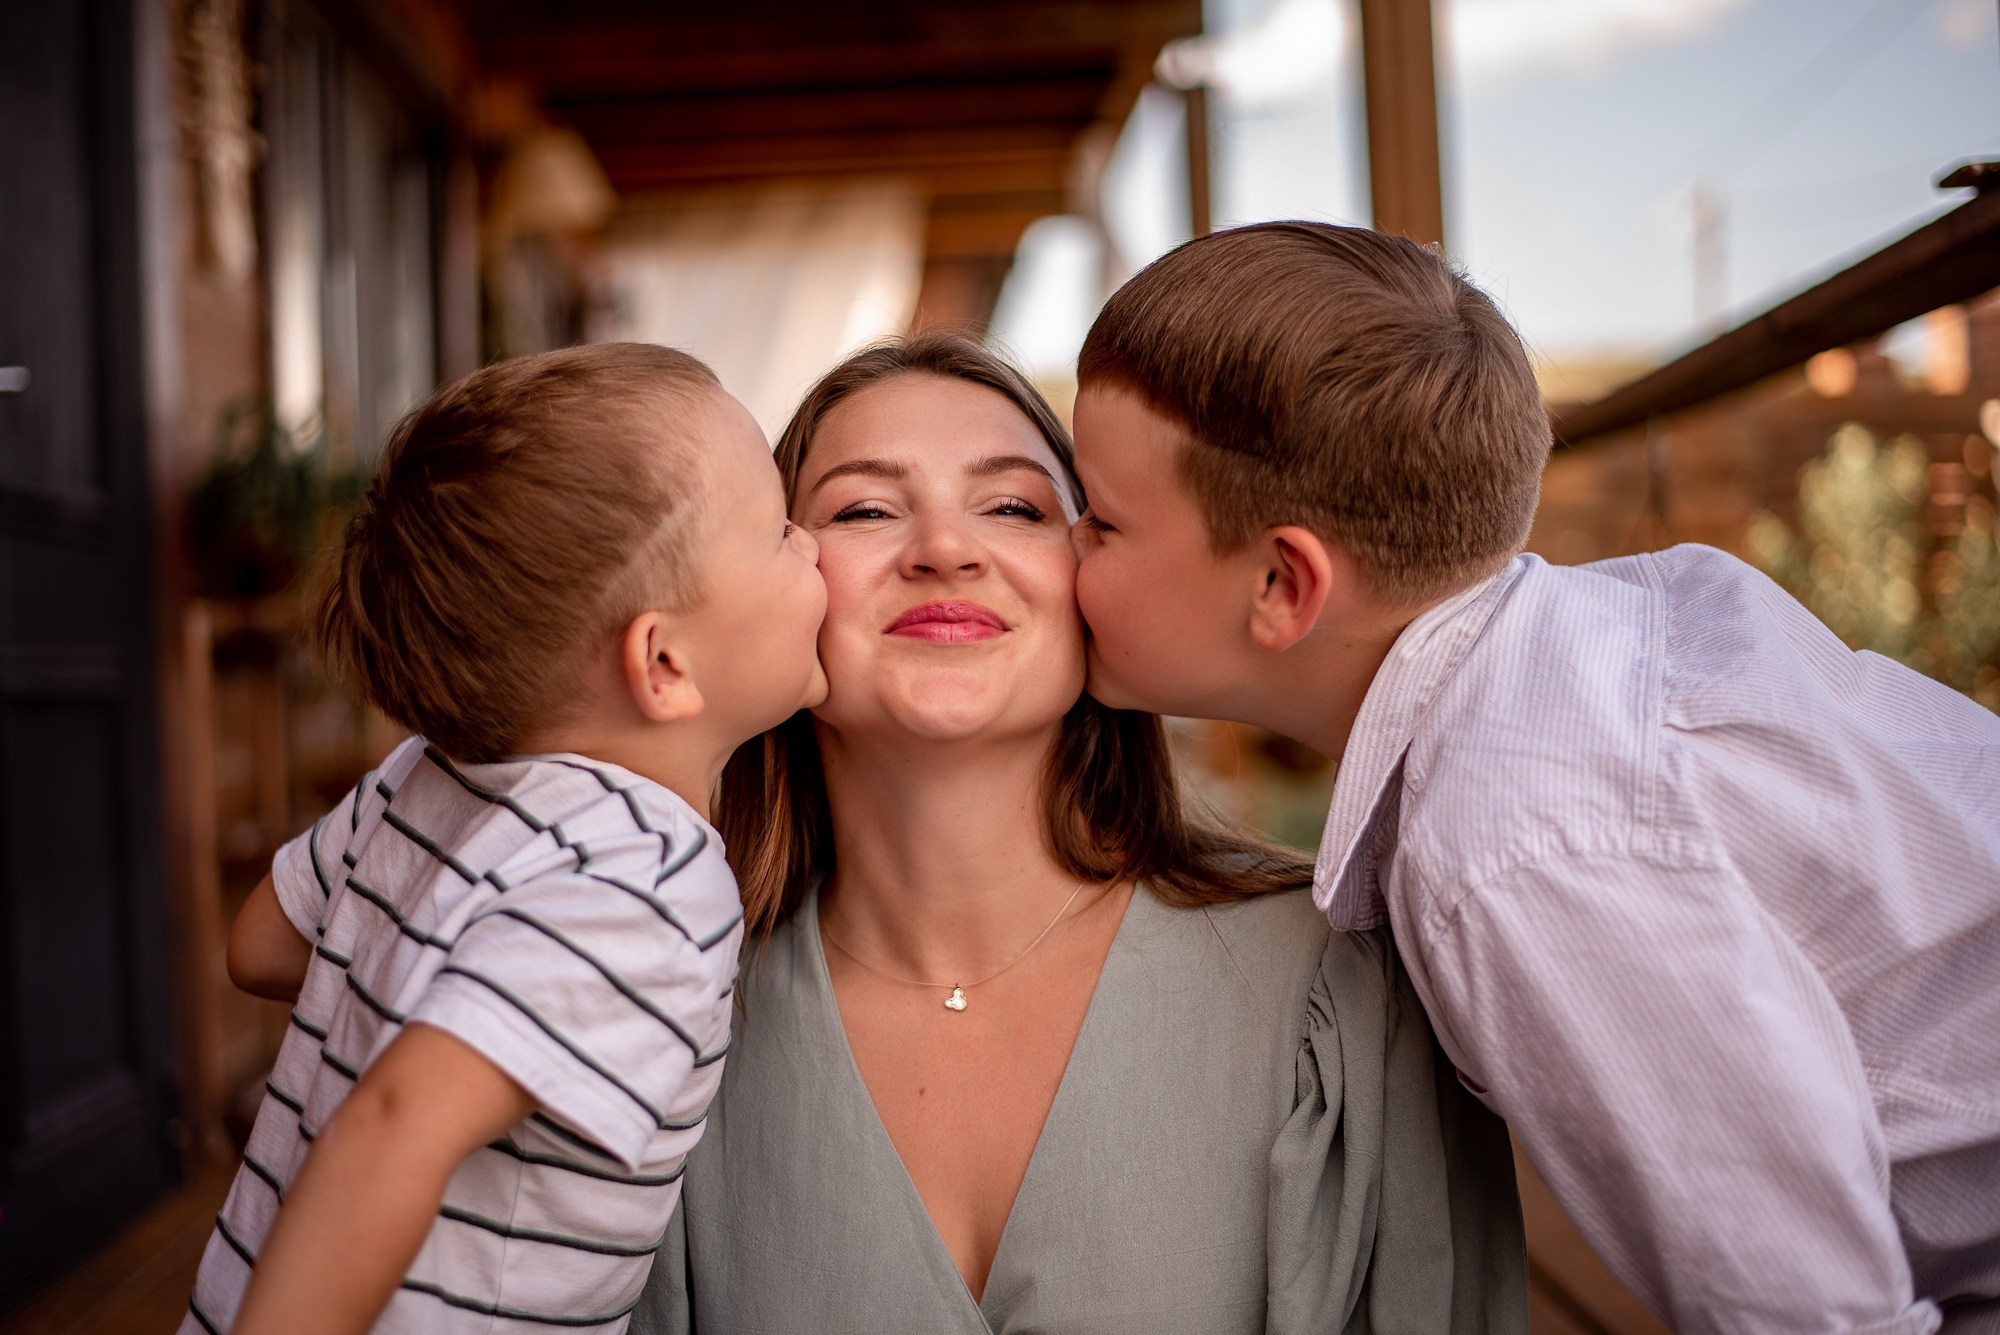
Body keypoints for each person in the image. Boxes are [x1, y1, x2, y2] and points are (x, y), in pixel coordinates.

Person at [1064, 220, 2000, 1334]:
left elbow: (1812, 1315)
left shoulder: (1515, 845)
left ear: (1280, 583)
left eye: (1100, 519)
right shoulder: (1615, 628)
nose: (1061, 547)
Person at [632, 331, 1525, 1335]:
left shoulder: (1339, 984)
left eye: (1013, 506)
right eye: (865, 509)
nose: (944, 548)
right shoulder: (658, 1018)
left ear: (1096, 574)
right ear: (770, 582)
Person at [183, 344, 828, 1335]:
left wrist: (426, 992)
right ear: (663, 664)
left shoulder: (428, 772)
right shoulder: (646, 885)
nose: (814, 547)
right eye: (779, 529)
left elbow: (261, 942)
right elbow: (397, 1122)